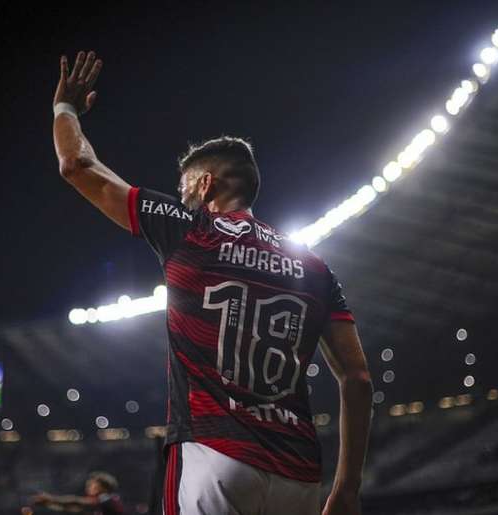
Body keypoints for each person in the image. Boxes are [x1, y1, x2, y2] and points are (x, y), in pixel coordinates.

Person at [52, 49, 373, 515]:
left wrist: (65, 109)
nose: (182, 197)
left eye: (184, 189)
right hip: (299, 475)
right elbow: (358, 378)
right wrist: (346, 489)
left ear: (204, 186)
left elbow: (76, 166)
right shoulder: (314, 267)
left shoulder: (190, 230)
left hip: (212, 455)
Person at [31, 471, 124, 514]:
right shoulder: (100, 503)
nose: (88, 487)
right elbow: (73, 509)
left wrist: (51, 498)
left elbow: (76, 501)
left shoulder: (107, 499)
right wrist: (49, 504)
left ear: (104, 487)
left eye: (92, 485)